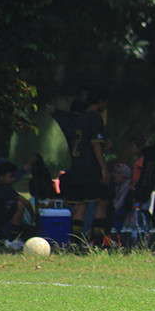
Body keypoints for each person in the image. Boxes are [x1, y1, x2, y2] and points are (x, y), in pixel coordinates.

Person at [59, 88, 110, 246]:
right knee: (103, 201)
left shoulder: (77, 120)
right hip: (91, 167)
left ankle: (76, 242)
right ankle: (98, 242)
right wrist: (103, 168)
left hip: (77, 167)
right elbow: (95, 144)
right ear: (100, 101)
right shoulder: (95, 118)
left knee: (81, 204)